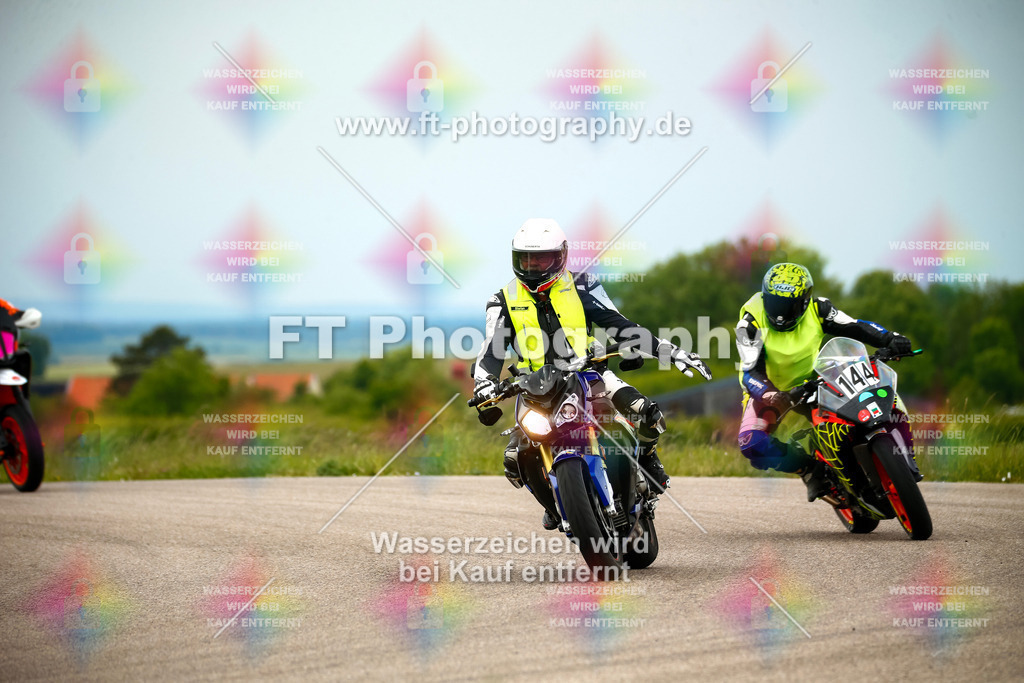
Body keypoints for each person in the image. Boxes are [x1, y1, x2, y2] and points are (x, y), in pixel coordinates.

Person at [473, 218, 711, 529]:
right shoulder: (501, 300)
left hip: (588, 373)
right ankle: (555, 505)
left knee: (645, 412)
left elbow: (620, 325)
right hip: (534, 389)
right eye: (526, 259)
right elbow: (491, 351)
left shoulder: (583, 285)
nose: (533, 267)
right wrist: (484, 385)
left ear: (560, 256)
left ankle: (648, 457)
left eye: (541, 259)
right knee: (515, 458)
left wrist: (670, 352)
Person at [735, 263, 917, 501]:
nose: (779, 314)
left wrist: (890, 338)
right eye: (774, 303)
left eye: (787, 306)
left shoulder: (819, 308)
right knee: (752, 445)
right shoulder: (749, 324)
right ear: (764, 295)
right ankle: (808, 468)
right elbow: (750, 373)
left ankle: (896, 455)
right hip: (768, 390)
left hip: (815, 380)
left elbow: (856, 326)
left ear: (804, 300)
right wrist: (771, 394)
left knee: (861, 407)